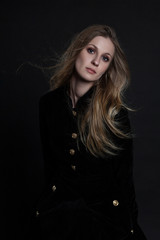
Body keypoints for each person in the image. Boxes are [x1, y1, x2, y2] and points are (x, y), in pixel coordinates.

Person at [33, 24, 147, 240]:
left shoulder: (114, 114)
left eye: (105, 58)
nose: (96, 61)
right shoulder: (48, 104)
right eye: (91, 50)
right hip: (59, 212)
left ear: (108, 68)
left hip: (104, 216)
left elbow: (124, 178)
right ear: (78, 49)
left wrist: (130, 225)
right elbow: (50, 168)